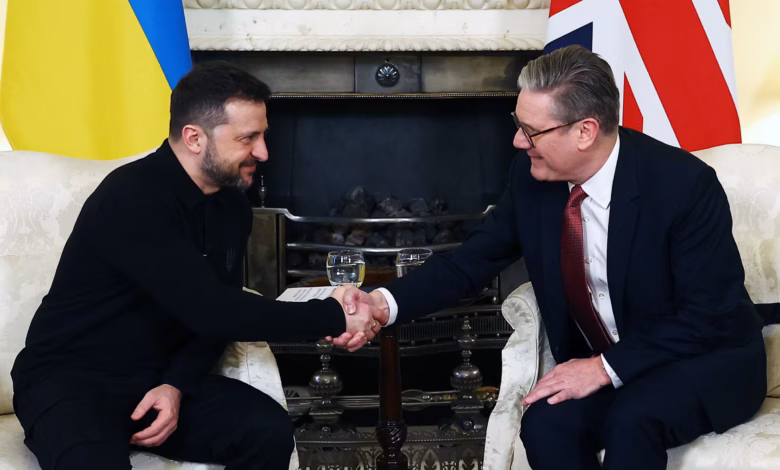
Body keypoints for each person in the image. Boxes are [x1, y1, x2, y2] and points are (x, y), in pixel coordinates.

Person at [337, 45, 766, 470]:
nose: (517, 141)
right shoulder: (532, 180)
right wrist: (382, 303)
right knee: (546, 425)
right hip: (616, 366)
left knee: (633, 420)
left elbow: (708, 315)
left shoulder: (683, 186)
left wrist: (602, 368)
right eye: (517, 124)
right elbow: (468, 264)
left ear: (584, 131)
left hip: (704, 360)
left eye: (531, 131)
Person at [11, 61, 384, 470]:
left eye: (263, 135)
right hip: (69, 380)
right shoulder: (131, 198)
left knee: (267, 430)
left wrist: (175, 384)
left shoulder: (232, 207)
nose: (263, 152)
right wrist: (333, 315)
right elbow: (213, 310)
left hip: (153, 380)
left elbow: (214, 316)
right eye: (247, 138)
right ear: (194, 138)